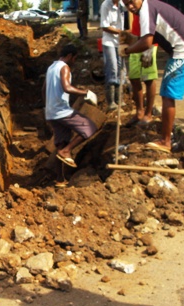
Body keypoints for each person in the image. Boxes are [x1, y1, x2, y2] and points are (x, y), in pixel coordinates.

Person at [120, 0, 184, 153]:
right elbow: (153, 37)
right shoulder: (152, 6)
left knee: (167, 94)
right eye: (126, 4)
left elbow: (147, 42)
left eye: (131, 2)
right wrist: (131, 41)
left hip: (183, 50)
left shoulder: (146, 9)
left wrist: (127, 50)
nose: (130, 7)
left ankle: (165, 141)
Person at [42, 44, 99, 187]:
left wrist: (48, 106)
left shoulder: (51, 68)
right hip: (62, 111)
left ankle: (60, 180)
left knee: (61, 143)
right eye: (74, 58)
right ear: (69, 56)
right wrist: (86, 92)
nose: (74, 61)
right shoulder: (64, 67)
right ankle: (67, 151)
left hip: (51, 112)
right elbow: (66, 87)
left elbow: (44, 89)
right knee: (90, 127)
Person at [125, 13, 157, 125]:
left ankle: (148, 113)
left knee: (148, 78)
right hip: (136, 40)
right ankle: (139, 111)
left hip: (148, 41)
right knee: (134, 77)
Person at [100, 0, 126, 111]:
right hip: (109, 41)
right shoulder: (106, 5)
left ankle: (119, 98)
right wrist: (121, 32)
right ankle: (111, 102)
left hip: (120, 42)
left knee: (121, 69)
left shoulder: (122, 5)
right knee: (113, 69)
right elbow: (104, 26)